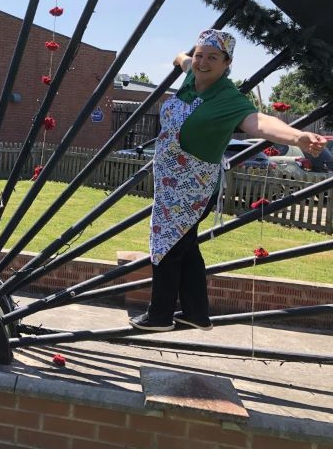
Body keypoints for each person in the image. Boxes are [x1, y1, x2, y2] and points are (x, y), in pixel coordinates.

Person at [129, 29, 327, 332]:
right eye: (200, 55)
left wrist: (298, 136)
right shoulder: (190, 79)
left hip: (192, 188)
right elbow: (181, 60)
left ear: (227, 63)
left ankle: (160, 316)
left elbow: (260, 123)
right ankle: (196, 313)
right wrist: (181, 59)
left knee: (166, 244)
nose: (203, 62)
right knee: (186, 246)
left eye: (213, 57)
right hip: (169, 184)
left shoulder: (229, 99)